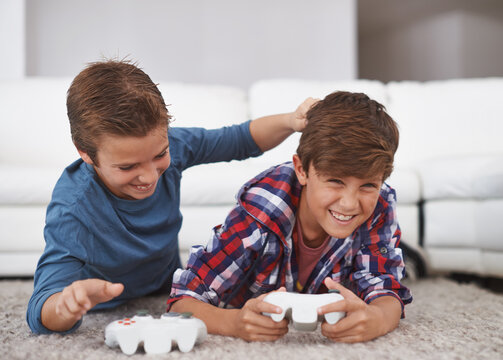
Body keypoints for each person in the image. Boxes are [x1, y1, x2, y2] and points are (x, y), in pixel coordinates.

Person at [26, 59, 315, 335]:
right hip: (108, 304)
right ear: (85, 153)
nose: (150, 176)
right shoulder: (73, 208)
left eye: (159, 155)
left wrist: (291, 120)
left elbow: (238, 140)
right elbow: (41, 308)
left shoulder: (174, 145)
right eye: (128, 167)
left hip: (167, 284)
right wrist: (64, 307)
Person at [168, 91, 413, 343]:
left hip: (353, 250)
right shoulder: (260, 210)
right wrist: (233, 323)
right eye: (335, 181)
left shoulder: (380, 202)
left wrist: (379, 318)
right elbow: (182, 301)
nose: (350, 203)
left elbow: (385, 288)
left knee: (383, 257)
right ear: (301, 169)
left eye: (368, 186)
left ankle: (405, 255)